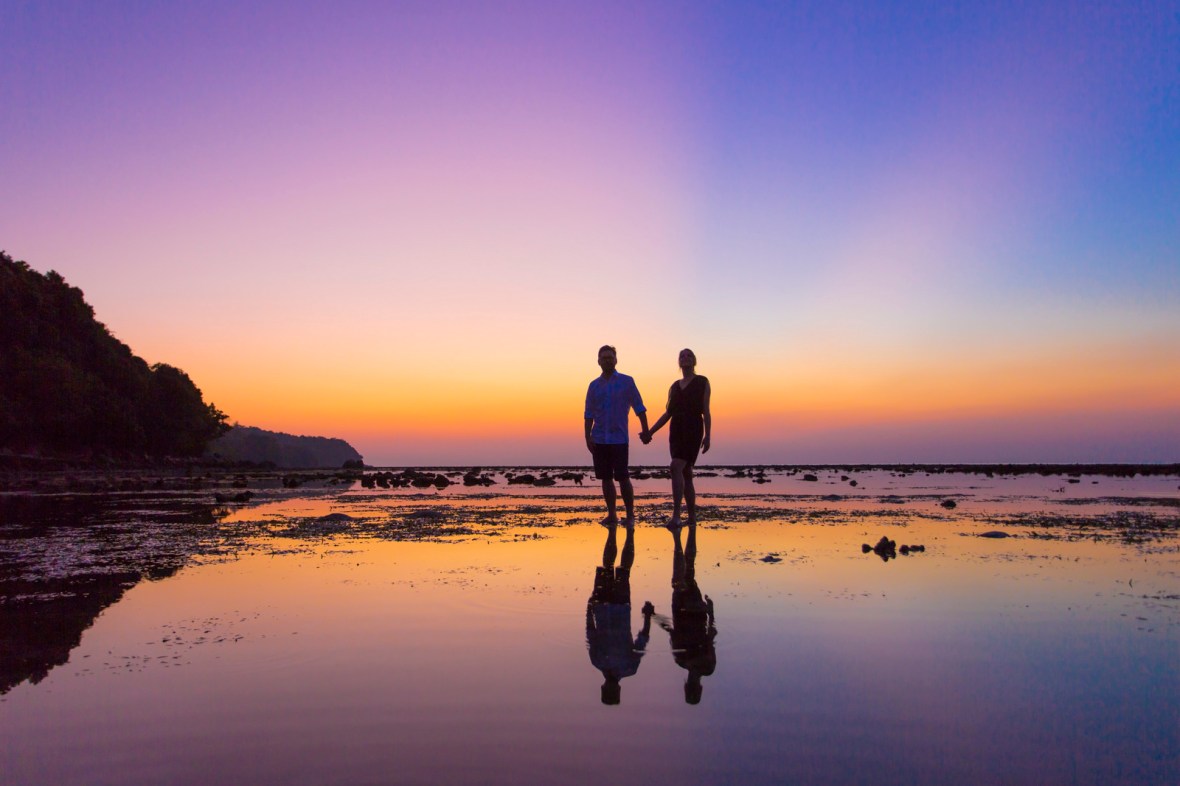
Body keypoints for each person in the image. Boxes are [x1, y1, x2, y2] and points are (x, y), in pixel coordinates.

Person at [585, 521, 655, 705]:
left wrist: (589, 608)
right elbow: (641, 641)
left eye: (607, 690)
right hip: (620, 607)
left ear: (603, 688)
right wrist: (647, 617)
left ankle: (614, 532)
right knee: (623, 570)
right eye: (611, 691)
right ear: (617, 689)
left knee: (609, 566)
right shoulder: (629, 667)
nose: (609, 687)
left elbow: (590, 633)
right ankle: (628, 534)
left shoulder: (598, 661)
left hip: (603, 606)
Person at [641, 348, 711, 527]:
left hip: (693, 428)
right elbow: (667, 413)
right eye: (682, 356)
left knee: (675, 467)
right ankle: (693, 518)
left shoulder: (702, 381)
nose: (685, 358)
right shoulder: (674, 386)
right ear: (679, 362)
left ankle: (677, 515)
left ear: (694, 360)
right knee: (686, 473)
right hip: (676, 430)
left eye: (689, 355)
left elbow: (706, 411)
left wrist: (708, 435)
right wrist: (650, 432)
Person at [584, 345, 650, 527]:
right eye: (603, 358)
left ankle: (630, 516)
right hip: (599, 439)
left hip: (619, 439)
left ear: (616, 360)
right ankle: (612, 514)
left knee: (622, 477)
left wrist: (646, 430)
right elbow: (588, 413)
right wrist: (587, 436)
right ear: (598, 361)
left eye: (610, 357)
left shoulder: (627, 382)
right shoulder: (594, 386)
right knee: (605, 478)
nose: (607, 360)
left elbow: (639, 407)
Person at [655, 521, 716, 704]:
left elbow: (710, 635)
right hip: (691, 610)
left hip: (691, 610)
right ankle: (680, 537)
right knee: (686, 573)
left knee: (687, 573)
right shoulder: (702, 665)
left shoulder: (686, 661)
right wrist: (710, 612)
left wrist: (710, 612)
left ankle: (681, 536)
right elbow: (710, 636)